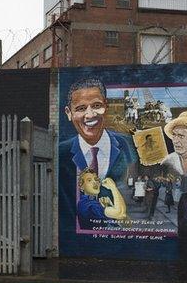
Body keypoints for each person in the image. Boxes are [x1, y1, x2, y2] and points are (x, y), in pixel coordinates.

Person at [59, 78, 138, 223]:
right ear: (69, 113)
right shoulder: (60, 154)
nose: (90, 115)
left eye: (96, 106)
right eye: (81, 108)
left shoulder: (129, 145)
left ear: (106, 106)